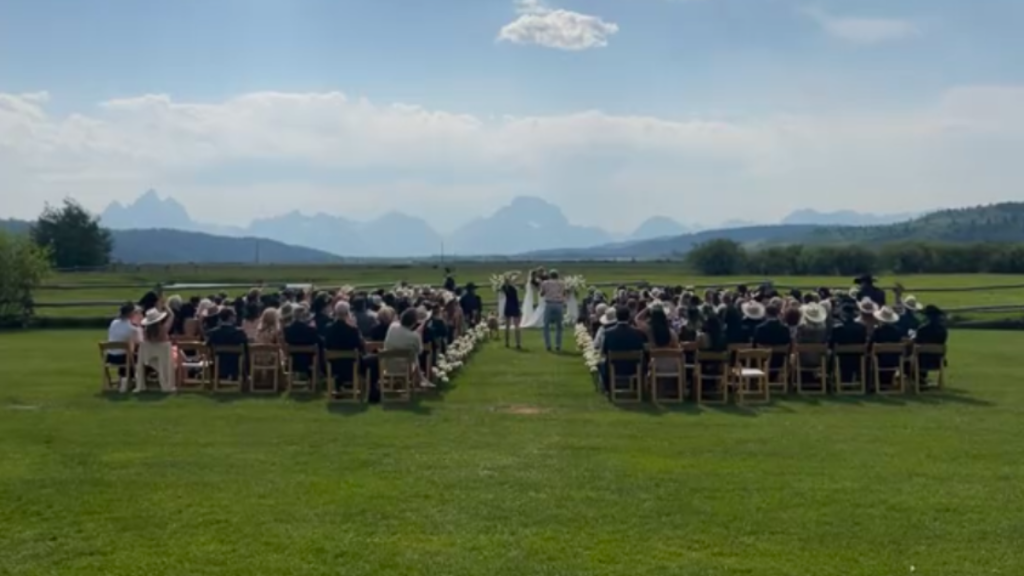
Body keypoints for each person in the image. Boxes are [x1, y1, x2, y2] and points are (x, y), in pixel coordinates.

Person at [599, 305, 647, 394]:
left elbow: (604, 351)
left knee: (601, 363)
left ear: (616, 317)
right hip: (634, 367)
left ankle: (608, 388)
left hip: (614, 367)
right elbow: (643, 350)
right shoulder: (638, 332)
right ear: (629, 317)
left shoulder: (608, 333)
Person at [324, 301, 368, 395]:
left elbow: (326, 345)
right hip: (352, 365)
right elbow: (361, 347)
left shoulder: (328, 329)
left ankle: (340, 386)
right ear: (348, 313)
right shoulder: (353, 330)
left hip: (334, 365)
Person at [383, 308, 429, 387]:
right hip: (405, 369)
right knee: (414, 355)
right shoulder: (414, 336)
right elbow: (420, 351)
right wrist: (419, 335)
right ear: (414, 322)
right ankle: (421, 379)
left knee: (412, 353)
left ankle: (421, 379)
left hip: (387, 366)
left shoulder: (392, 326)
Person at [136, 305, 176, 393]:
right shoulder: (164, 329)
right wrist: (166, 306)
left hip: (149, 357)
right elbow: (172, 316)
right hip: (163, 356)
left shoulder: (146, 332)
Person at [205, 307, 250, 382]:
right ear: (230, 317)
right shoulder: (239, 333)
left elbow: (208, 346)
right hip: (235, 365)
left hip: (219, 364)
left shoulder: (213, 333)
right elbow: (246, 349)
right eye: (234, 316)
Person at [107, 303, 143, 392]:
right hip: (124, 358)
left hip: (110, 357)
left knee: (129, 354)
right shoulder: (132, 328)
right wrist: (139, 326)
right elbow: (141, 342)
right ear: (131, 314)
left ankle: (124, 379)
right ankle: (130, 380)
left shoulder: (114, 323)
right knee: (140, 356)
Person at [283, 305, 324, 377]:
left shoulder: (287, 330)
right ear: (304, 316)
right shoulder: (310, 330)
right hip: (308, 361)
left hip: (293, 360)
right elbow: (319, 341)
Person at [913, 305, 948, 387]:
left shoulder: (922, 329)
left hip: (922, 361)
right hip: (937, 360)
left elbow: (917, 343)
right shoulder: (943, 330)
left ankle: (918, 379)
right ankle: (922, 379)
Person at [540, 270, 567, 352]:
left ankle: (548, 345)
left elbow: (542, 293)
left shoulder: (545, 283)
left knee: (546, 325)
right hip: (559, 304)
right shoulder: (562, 283)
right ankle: (558, 345)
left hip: (549, 304)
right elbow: (564, 293)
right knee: (559, 326)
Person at [501, 276, 522, 349]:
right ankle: (518, 343)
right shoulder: (513, 289)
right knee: (517, 326)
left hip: (508, 306)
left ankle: (507, 342)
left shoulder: (504, 288)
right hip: (514, 307)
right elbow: (516, 299)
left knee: (507, 326)